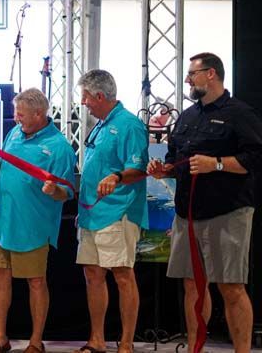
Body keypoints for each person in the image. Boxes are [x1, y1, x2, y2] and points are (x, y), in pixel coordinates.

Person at [148, 52, 262, 353]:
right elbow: (174, 160)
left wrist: (218, 164)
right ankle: (196, 349)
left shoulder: (240, 113)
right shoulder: (186, 117)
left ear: (211, 74)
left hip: (228, 211)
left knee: (231, 286)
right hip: (187, 213)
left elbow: (256, 158)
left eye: (192, 74)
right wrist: (165, 170)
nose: (188, 79)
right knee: (191, 285)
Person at [0, 88, 76, 353]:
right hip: (2, 221)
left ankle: (35, 342)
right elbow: (3, 168)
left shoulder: (60, 147)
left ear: (39, 113)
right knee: (0, 278)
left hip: (33, 225)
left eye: (21, 115)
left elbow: (67, 191)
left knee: (36, 281)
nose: (16, 119)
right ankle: (0, 338)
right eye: (15, 113)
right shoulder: (13, 134)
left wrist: (54, 190)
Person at [74, 70, 148, 353]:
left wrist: (116, 176)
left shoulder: (129, 125)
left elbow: (139, 169)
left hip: (119, 212)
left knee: (122, 275)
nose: (84, 103)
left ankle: (126, 343)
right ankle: (97, 340)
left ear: (100, 96)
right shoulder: (102, 125)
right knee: (92, 273)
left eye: (86, 98)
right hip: (92, 213)